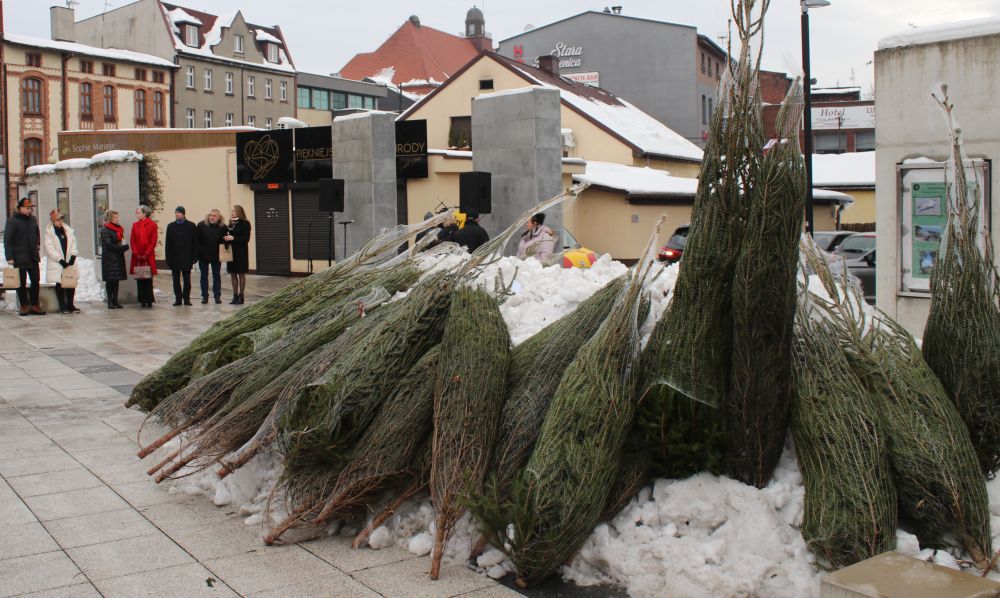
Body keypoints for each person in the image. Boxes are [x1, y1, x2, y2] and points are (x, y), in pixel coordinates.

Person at [3, 197, 45, 316]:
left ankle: (35, 304)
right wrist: (9, 256)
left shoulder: (33, 219)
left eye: (30, 208)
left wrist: (37, 244)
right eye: (27, 208)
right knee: (21, 282)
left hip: (32, 256)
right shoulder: (12, 221)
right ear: (20, 208)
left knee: (36, 280)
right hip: (19, 256)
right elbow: (8, 240)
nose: (29, 210)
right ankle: (24, 305)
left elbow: (37, 233)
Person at [42, 209, 80, 314]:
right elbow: (50, 248)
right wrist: (60, 259)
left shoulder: (68, 230)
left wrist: (73, 256)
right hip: (57, 262)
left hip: (69, 260)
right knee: (60, 283)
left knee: (71, 282)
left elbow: (73, 243)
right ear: (53, 221)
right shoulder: (49, 233)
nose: (60, 222)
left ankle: (70, 304)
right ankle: (62, 305)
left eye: (61, 219)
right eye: (58, 220)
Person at [165, 206, 198, 306]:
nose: (177, 214)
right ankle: (178, 298)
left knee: (187, 279)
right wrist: (168, 258)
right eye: (176, 212)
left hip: (186, 257)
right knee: (176, 280)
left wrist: (195, 256)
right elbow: (168, 244)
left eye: (179, 212)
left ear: (183, 214)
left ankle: (186, 298)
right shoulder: (171, 226)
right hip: (174, 258)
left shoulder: (191, 226)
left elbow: (195, 242)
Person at [100, 209, 129, 309]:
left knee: (116, 280)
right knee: (110, 281)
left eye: (117, 217)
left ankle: (116, 300)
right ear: (110, 218)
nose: (117, 219)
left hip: (118, 257)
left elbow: (120, 241)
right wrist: (122, 248)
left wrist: (124, 246)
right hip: (109, 259)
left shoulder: (119, 229)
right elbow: (109, 244)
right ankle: (110, 301)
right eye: (115, 217)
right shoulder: (105, 230)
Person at [130, 205, 158, 308]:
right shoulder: (135, 225)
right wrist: (136, 252)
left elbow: (153, 241)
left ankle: (149, 299)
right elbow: (132, 240)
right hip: (138, 256)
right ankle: (142, 299)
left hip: (148, 255)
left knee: (148, 278)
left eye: (139, 213)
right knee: (140, 277)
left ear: (144, 213)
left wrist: (146, 253)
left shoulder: (152, 225)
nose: (137, 215)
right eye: (136, 213)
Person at [197, 209, 226, 304]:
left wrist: (226, 242)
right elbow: (197, 240)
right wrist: (199, 252)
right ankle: (204, 296)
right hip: (203, 255)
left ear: (219, 217)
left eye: (214, 216)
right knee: (203, 276)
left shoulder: (223, 227)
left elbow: (224, 240)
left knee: (216, 276)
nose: (212, 217)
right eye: (210, 215)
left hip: (216, 256)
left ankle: (217, 296)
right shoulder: (201, 225)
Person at [224, 204, 251, 305]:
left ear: (239, 212)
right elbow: (227, 235)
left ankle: (241, 295)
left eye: (234, 211)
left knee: (241, 273)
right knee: (232, 273)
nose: (232, 213)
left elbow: (246, 238)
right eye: (231, 211)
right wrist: (226, 240)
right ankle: (234, 295)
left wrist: (233, 238)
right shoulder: (230, 223)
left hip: (241, 252)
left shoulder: (245, 223)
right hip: (231, 253)